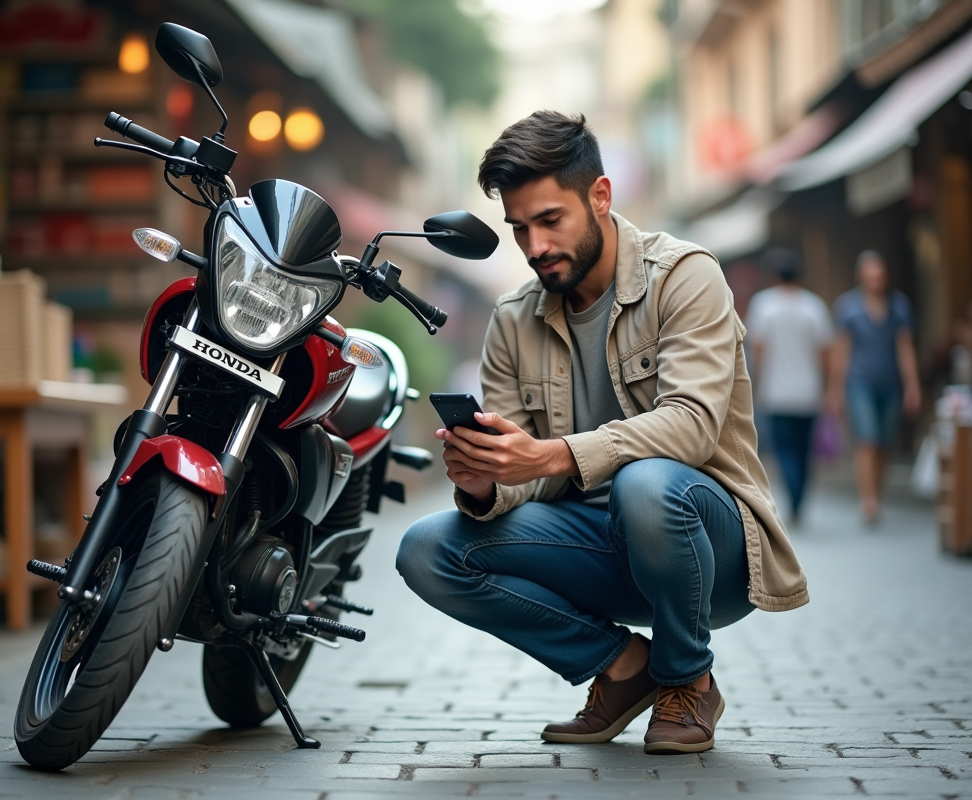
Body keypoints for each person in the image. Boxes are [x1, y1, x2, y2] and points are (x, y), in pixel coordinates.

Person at [395, 111, 807, 755]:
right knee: (428, 549)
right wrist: (487, 483)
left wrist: (553, 455)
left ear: (601, 196)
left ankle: (687, 679)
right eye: (519, 228)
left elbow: (693, 428)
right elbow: (523, 476)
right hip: (594, 548)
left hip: (711, 549)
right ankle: (623, 667)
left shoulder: (686, 276)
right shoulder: (512, 320)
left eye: (549, 221)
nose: (533, 247)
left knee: (644, 484)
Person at [828, 251, 921, 524]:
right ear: (861, 277)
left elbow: (905, 348)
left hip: (889, 382)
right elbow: (841, 350)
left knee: (883, 443)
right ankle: (868, 501)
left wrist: (912, 386)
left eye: (879, 275)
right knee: (867, 439)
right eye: (870, 275)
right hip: (859, 382)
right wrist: (835, 389)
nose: (875, 280)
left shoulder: (899, 306)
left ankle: (876, 494)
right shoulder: (848, 307)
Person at [745, 248, 834, 525]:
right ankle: (799, 499)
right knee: (804, 451)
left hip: (776, 392)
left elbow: (757, 350)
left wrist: (758, 383)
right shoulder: (813, 306)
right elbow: (824, 352)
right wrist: (826, 385)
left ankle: (794, 497)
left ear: (773, 276)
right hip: (808, 392)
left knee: (784, 450)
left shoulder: (763, 305)